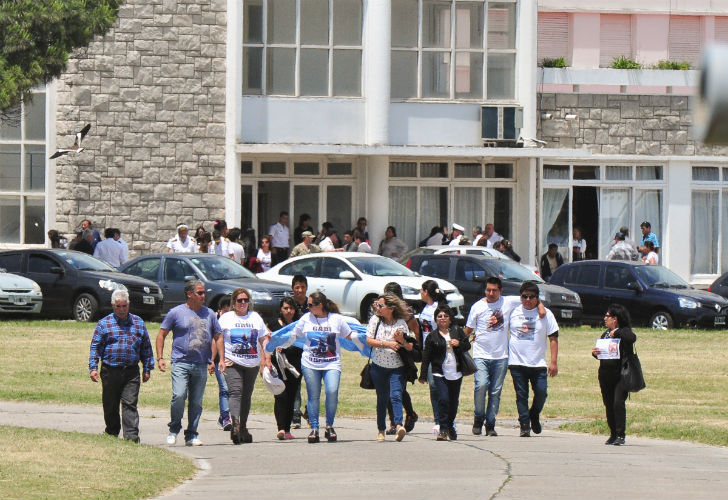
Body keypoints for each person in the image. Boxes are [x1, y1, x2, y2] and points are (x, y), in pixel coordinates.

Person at [156, 280, 225, 446]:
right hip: (181, 361)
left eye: (203, 293)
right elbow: (161, 334)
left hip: (201, 363)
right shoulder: (176, 313)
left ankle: (192, 434)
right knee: (179, 395)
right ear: (189, 294)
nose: (203, 296)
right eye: (200, 293)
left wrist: (220, 359)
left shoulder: (209, 314)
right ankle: (174, 429)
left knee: (196, 401)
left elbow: (219, 336)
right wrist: (160, 357)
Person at [279, 291, 353, 443]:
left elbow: (350, 335)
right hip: (310, 363)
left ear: (320, 306)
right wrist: (279, 342)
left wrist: (368, 339)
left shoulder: (336, 319)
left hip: (332, 362)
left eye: (311, 305)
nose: (308, 307)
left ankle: (329, 426)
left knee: (332, 391)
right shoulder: (306, 318)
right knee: (313, 395)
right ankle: (314, 428)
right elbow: (293, 334)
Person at [88, 290, 153, 443]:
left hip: (131, 371)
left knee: (130, 403)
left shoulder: (138, 323)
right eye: (118, 306)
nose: (122, 309)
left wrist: (147, 368)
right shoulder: (104, 324)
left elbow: (146, 348)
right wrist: (93, 368)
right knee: (110, 403)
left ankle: (131, 436)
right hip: (110, 370)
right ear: (113, 306)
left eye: (124, 306)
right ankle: (111, 432)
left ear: (129, 305)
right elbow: (95, 347)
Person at [466, 277, 524, 437]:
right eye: (488, 290)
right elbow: (468, 329)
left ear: (501, 291)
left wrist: (539, 307)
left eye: (494, 290)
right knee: (481, 385)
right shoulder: (477, 306)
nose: (491, 293)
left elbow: (528, 297)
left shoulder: (508, 302)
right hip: (480, 354)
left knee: (495, 392)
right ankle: (478, 418)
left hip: (501, 356)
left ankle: (490, 424)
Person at [218, 288, 271, 444]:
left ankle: (243, 427)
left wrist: (267, 358)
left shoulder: (255, 318)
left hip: (252, 363)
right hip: (232, 362)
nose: (242, 303)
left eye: (245, 300)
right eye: (239, 300)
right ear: (233, 303)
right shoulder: (226, 318)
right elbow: (218, 339)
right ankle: (235, 424)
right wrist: (218, 359)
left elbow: (263, 339)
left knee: (246, 396)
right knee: (236, 392)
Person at [507, 281, 559, 437]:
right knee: (521, 395)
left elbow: (553, 338)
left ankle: (534, 414)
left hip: (538, 363)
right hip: (517, 362)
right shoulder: (513, 311)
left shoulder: (546, 314)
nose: (528, 300)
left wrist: (553, 362)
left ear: (537, 298)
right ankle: (524, 424)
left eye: (532, 297)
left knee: (541, 392)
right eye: (524, 296)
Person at [366, 293, 415, 442]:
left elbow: (409, 346)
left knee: (396, 395)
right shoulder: (375, 320)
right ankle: (381, 430)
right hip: (378, 367)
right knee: (382, 398)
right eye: (377, 305)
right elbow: (369, 340)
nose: (377, 308)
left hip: (397, 367)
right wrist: (387, 343)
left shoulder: (400, 323)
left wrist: (401, 340)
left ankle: (399, 425)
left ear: (391, 308)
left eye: (381, 306)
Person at [419, 305, 470, 441]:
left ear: (450, 318)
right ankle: (442, 428)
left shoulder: (457, 331)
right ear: (435, 319)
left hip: (455, 372)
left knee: (453, 402)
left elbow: (467, 345)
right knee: (443, 399)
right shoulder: (432, 336)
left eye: (445, 316)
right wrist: (423, 375)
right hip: (439, 372)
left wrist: (458, 343)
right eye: (440, 316)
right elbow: (426, 357)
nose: (443, 318)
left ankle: (450, 426)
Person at [591, 304, 637, 446]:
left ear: (615, 319)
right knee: (608, 404)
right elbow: (603, 352)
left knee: (618, 403)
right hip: (605, 374)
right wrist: (595, 353)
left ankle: (620, 434)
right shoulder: (605, 333)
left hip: (620, 375)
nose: (605, 319)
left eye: (607, 316)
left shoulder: (624, 332)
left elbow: (632, 337)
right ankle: (613, 433)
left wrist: (617, 333)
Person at [383, 282, 420, 434]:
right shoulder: (382, 308)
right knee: (388, 389)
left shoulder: (407, 313)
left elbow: (417, 332)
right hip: (385, 353)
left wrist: (414, 348)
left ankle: (407, 415)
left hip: (403, 355)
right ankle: (394, 421)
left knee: (397, 390)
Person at [268, 297, 303, 440]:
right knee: (280, 396)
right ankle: (281, 428)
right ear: (281, 310)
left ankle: (287, 429)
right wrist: (265, 362)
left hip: (295, 366)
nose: (289, 311)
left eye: (291, 308)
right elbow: (266, 344)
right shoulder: (273, 324)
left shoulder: (299, 325)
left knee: (291, 396)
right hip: (278, 366)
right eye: (286, 308)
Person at [419, 280, 447, 434]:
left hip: (439, 351)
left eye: (421, 291)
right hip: (427, 351)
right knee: (433, 387)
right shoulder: (426, 307)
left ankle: (445, 419)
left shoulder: (438, 308)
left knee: (440, 385)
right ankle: (438, 420)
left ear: (426, 291)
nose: (420, 294)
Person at [289, 274, 309, 428]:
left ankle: (309, 411)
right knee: (295, 383)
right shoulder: (289, 305)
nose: (300, 290)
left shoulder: (313, 304)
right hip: (293, 349)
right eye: (297, 287)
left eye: (302, 287)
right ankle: (295, 415)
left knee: (312, 383)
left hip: (310, 349)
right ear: (292, 289)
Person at [213, 297, 232, 432]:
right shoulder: (214, 322)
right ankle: (226, 418)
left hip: (232, 361)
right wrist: (211, 360)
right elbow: (213, 342)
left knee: (233, 390)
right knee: (225, 388)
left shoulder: (233, 323)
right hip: (218, 361)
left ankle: (223, 416)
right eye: (224, 312)